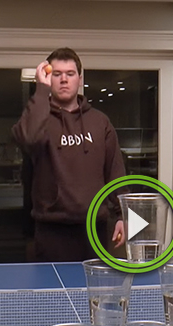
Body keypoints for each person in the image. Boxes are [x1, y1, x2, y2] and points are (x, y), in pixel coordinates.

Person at [12, 47, 126, 262]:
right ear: (49, 78)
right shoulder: (37, 119)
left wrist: (123, 214)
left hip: (94, 230)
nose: (64, 80)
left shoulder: (100, 122)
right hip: (51, 231)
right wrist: (41, 90)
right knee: (52, 285)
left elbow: (115, 172)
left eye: (70, 74)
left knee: (93, 285)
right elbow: (28, 138)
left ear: (79, 79)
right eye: (57, 74)